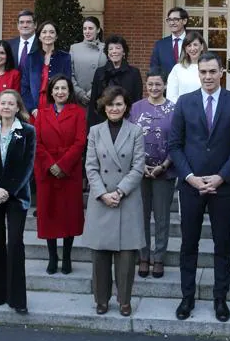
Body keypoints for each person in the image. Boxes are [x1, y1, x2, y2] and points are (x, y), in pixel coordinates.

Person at [169, 52, 230, 323]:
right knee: (188, 244)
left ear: (221, 72)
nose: (207, 77)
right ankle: (187, 298)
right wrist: (190, 177)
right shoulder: (184, 102)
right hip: (191, 186)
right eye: (203, 72)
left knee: (222, 244)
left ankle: (220, 299)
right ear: (198, 73)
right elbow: (175, 145)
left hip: (222, 187)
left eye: (212, 71)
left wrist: (221, 177)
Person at [84, 86, 145, 317]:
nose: (114, 108)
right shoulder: (95, 131)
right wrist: (102, 193)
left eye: (119, 104)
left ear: (126, 106)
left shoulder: (136, 131)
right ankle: (101, 299)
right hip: (101, 200)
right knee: (99, 256)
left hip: (126, 200)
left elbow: (138, 167)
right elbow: (90, 166)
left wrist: (119, 192)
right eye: (110, 104)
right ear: (104, 107)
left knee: (127, 257)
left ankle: (124, 300)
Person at [0, 89, 35, 315]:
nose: (6, 107)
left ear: (18, 107)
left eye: (11, 103)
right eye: (3, 103)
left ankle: (18, 298)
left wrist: (8, 191)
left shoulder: (28, 132)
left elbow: (27, 166)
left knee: (15, 245)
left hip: (16, 197)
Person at [34, 74, 87, 275]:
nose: (60, 92)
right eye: (56, 89)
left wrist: (63, 165)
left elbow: (80, 142)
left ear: (69, 91)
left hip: (69, 170)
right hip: (47, 171)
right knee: (49, 214)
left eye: (63, 88)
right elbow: (36, 142)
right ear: (51, 92)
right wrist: (50, 164)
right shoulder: (42, 113)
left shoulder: (78, 112)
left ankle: (66, 256)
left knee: (68, 216)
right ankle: (52, 257)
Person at [129, 70, 177, 279]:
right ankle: (143, 256)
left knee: (162, 217)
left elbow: (177, 141)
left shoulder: (174, 109)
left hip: (164, 172)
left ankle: (159, 258)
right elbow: (129, 138)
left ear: (165, 85)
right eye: (151, 84)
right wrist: (140, 165)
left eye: (158, 84)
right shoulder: (136, 108)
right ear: (146, 86)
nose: (154, 88)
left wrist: (164, 165)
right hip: (139, 171)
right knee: (141, 216)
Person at [87, 34, 142, 129]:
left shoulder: (134, 73)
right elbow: (93, 101)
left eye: (118, 48)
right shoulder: (100, 72)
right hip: (103, 121)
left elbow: (137, 100)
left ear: (124, 52)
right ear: (107, 53)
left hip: (128, 122)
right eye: (111, 49)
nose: (114, 51)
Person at [21, 20, 72, 119]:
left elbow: (67, 84)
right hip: (36, 107)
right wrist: (32, 109)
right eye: (44, 32)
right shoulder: (31, 58)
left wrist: (60, 107)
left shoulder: (65, 57)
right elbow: (24, 87)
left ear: (56, 36)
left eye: (52, 32)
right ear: (39, 37)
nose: (48, 35)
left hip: (57, 105)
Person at [69, 16, 107, 107]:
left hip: (100, 99)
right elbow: (70, 72)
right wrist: (79, 93)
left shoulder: (106, 48)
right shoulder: (74, 48)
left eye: (90, 28)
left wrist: (94, 90)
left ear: (98, 30)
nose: (87, 31)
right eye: (84, 28)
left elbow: (108, 72)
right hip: (79, 99)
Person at [166, 31, 207, 104]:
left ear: (202, 47)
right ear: (185, 49)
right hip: (182, 111)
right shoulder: (177, 69)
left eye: (195, 45)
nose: (192, 48)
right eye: (189, 45)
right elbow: (171, 96)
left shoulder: (208, 68)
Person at [150, 7, 188, 77]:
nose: (172, 23)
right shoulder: (160, 45)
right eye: (169, 20)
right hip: (166, 86)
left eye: (176, 19)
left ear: (184, 21)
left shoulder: (192, 42)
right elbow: (154, 69)